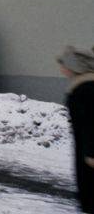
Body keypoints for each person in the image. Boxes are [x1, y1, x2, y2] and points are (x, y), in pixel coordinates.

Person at [58, 46, 94, 213]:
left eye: (64, 64)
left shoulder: (84, 89)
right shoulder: (81, 85)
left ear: (73, 66)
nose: (61, 68)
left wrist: (91, 153)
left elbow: (91, 122)